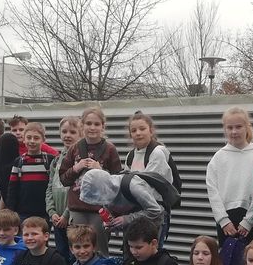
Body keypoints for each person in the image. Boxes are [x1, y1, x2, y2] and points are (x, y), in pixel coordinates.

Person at [58, 106, 122, 252]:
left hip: (100, 211)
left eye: (96, 124)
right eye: (88, 123)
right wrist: (76, 168)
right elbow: (63, 179)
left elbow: (118, 182)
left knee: (99, 251)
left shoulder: (110, 149)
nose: (92, 127)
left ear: (103, 127)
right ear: (82, 125)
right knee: (78, 251)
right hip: (77, 209)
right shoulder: (74, 148)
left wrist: (100, 170)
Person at [205, 106, 253, 246]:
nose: (234, 131)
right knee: (226, 262)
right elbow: (213, 191)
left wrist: (249, 221)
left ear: (247, 127)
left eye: (238, 127)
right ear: (224, 129)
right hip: (226, 220)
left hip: (249, 218)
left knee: (248, 262)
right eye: (230, 127)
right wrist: (223, 220)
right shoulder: (218, 157)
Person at [77, 168, 173, 242]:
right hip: (134, 226)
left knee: (150, 260)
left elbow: (156, 210)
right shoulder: (106, 192)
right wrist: (112, 223)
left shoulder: (133, 186)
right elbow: (110, 207)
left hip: (153, 224)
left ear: (103, 188)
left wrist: (127, 219)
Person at [124, 112, 178, 243]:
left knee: (151, 253)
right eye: (134, 130)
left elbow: (147, 186)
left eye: (142, 129)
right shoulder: (130, 155)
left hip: (155, 212)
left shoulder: (157, 153)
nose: (138, 133)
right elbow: (125, 183)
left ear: (151, 130)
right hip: (136, 211)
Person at [46, 116, 82, 263]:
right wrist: (52, 212)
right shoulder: (56, 160)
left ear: (81, 134)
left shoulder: (80, 159)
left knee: (75, 256)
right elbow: (49, 187)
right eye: (64, 132)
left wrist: (67, 214)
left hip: (73, 218)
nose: (67, 135)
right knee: (61, 256)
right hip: (57, 219)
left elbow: (79, 190)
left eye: (72, 132)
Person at [6, 123, 54, 221]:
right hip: (22, 214)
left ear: (43, 140)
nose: (32, 141)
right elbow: (12, 189)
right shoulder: (18, 162)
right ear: (24, 139)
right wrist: (11, 212)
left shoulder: (50, 161)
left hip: (44, 213)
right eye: (29, 137)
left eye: (36, 138)